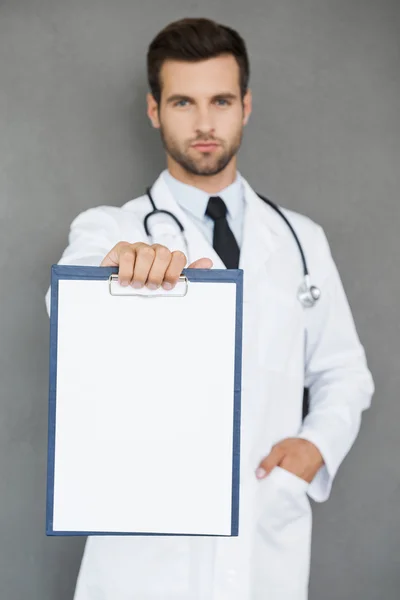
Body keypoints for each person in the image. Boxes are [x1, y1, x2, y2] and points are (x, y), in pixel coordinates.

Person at [46, 17, 374, 600]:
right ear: (154, 111)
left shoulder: (301, 240)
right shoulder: (112, 228)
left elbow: (344, 373)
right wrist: (114, 271)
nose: (204, 123)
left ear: (245, 105)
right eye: (182, 102)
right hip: (144, 553)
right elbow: (68, 305)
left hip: (262, 532)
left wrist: (313, 449)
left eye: (220, 100)